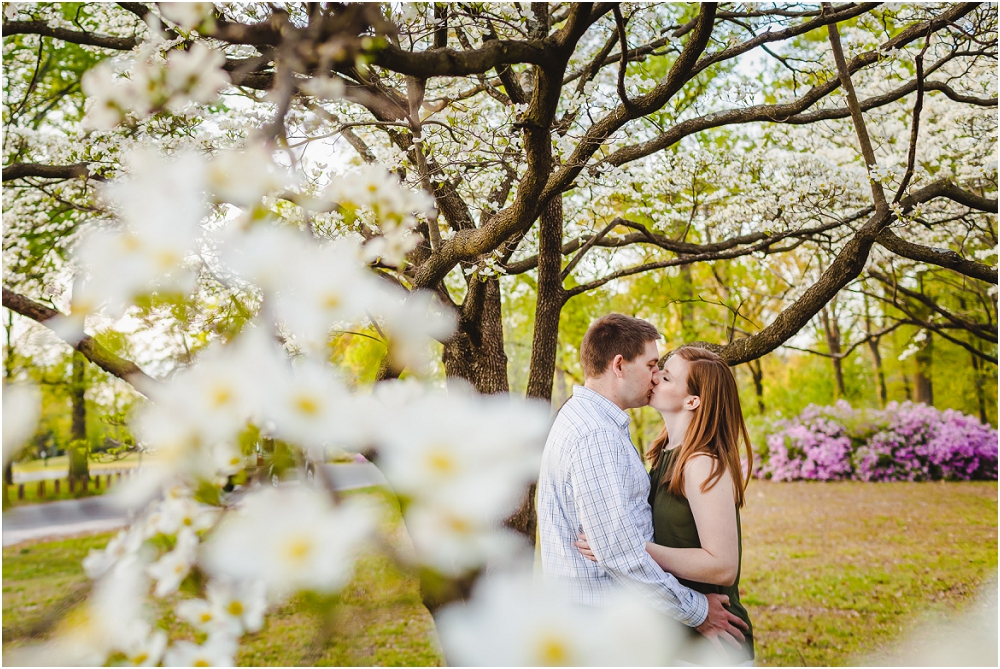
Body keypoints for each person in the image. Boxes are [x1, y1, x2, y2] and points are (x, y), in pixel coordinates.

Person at [537, 314, 748, 653]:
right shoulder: (597, 435)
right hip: (602, 623)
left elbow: (622, 548)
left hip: (682, 634)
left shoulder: (599, 425)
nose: (654, 377)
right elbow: (619, 554)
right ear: (619, 365)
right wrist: (696, 611)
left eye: (664, 374)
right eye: (653, 366)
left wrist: (624, 546)